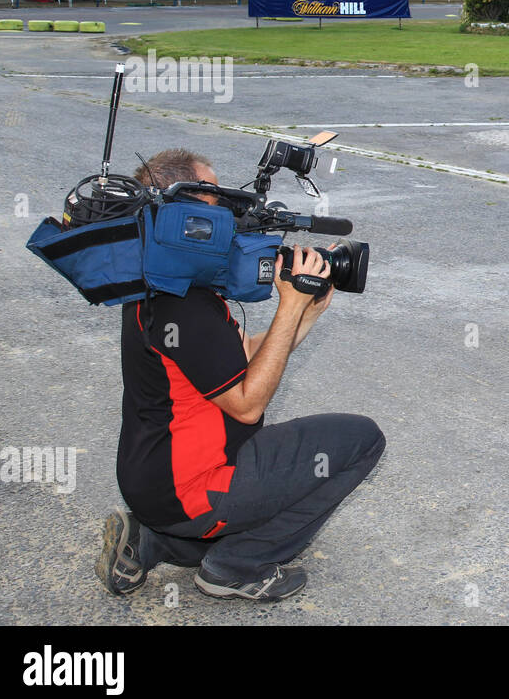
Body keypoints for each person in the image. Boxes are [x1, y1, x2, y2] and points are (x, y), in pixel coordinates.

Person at [97, 148, 385, 601]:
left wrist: (306, 312)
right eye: (217, 199)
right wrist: (289, 304)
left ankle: (151, 540)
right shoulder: (185, 307)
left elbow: (242, 357)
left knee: (273, 473)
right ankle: (234, 566)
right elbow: (248, 405)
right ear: (187, 211)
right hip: (192, 487)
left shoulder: (163, 286)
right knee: (360, 439)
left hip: (155, 485)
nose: (230, 213)